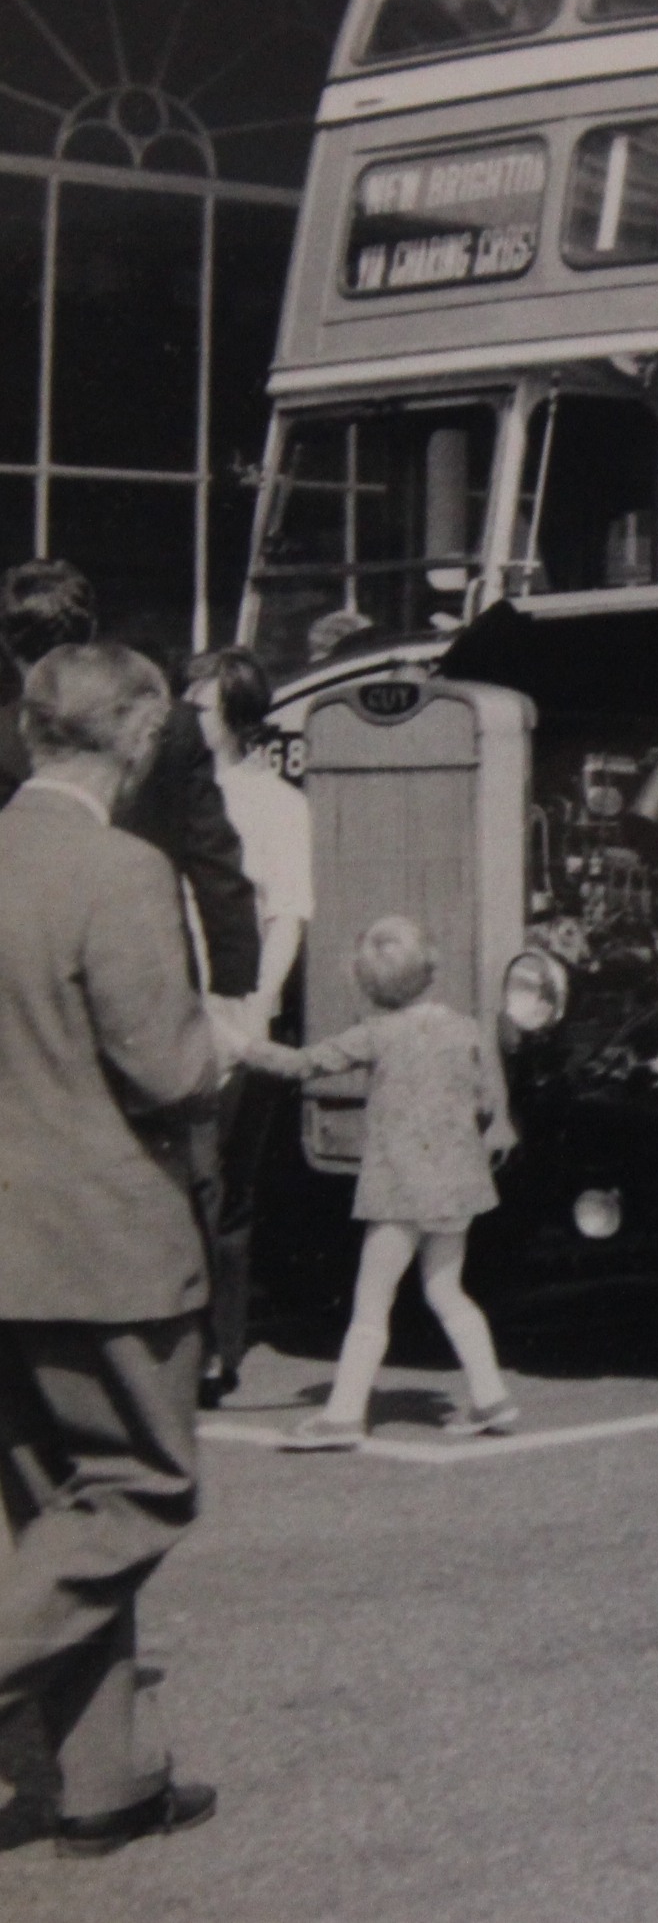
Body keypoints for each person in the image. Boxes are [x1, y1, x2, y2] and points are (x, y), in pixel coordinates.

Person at [0, 642, 221, 1857]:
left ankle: (102, 1785)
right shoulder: (120, 869)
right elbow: (169, 1068)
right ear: (134, 733)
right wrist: (223, 1041)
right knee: (140, 1488)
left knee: (57, 1506)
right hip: (105, 1243)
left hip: (6, 1242)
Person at [239, 916, 520, 1448]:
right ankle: (491, 1396)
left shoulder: (375, 1034)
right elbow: (485, 1104)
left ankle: (343, 1414)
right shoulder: (464, 1029)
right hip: (456, 1186)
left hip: (398, 1188)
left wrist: (244, 1046)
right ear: (432, 969)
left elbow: (301, 1065)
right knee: (447, 1289)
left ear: (366, 985)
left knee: (372, 1303)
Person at [0, 561, 259, 1005]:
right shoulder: (172, 725)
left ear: (6, 643)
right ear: (93, 627)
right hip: (152, 976)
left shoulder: (6, 736)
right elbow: (215, 863)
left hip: (33, 994)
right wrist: (233, 991)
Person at [182, 648, 314, 1406]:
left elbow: (287, 913)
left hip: (242, 1013)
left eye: (199, 708)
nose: (186, 721)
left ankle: (214, 1352)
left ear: (236, 717)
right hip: (174, 1007)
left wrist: (259, 1006)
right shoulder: (168, 795)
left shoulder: (275, 805)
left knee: (225, 1186)